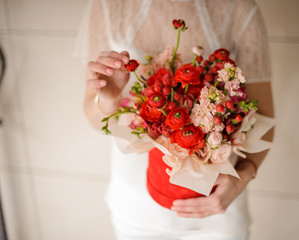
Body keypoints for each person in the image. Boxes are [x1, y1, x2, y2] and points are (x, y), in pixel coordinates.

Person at [76, 0, 274, 239]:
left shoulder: (238, 8)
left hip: (217, 211)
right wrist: (111, 100)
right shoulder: (108, 6)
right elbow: (96, 119)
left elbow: (263, 119)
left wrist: (244, 175)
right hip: (137, 210)